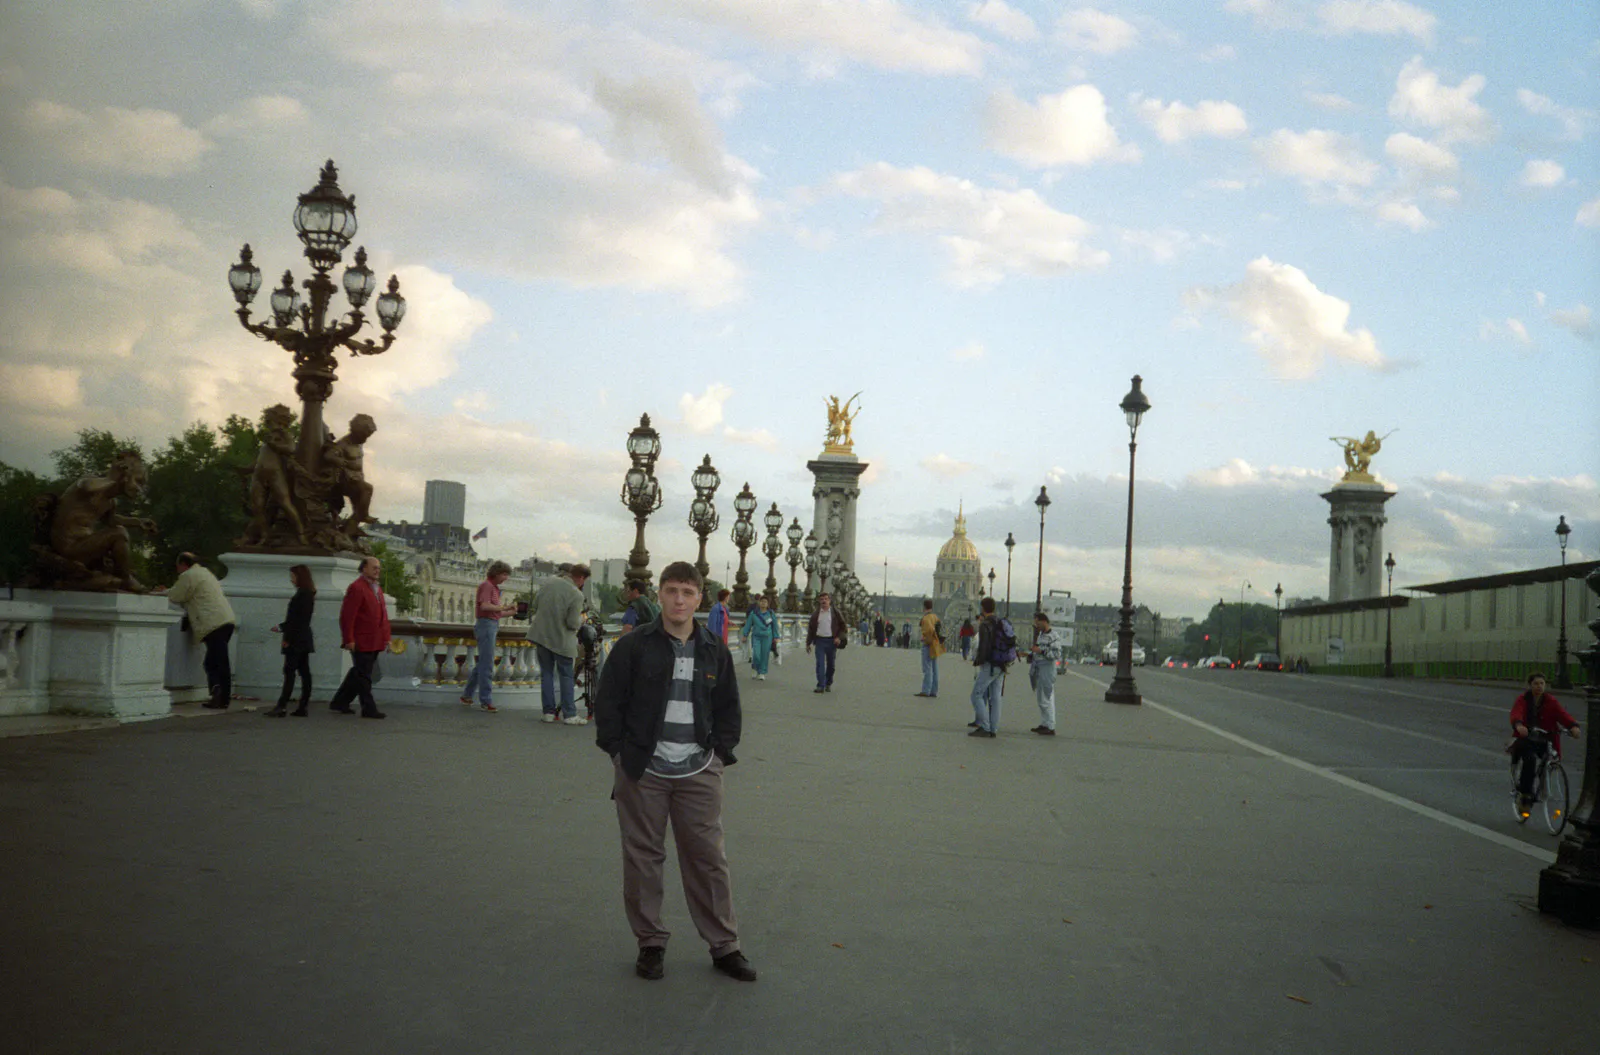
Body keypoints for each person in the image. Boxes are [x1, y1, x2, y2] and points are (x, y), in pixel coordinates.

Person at [593, 561, 755, 984]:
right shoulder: (634, 646)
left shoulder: (713, 649)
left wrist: (720, 754)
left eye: (687, 592)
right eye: (671, 591)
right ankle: (650, 942)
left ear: (699, 597)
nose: (679, 599)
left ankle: (725, 945)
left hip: (699, 768)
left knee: (708, 859)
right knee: (643, 858)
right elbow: (607, 701)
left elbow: (728, 708)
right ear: (659, 594)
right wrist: (617, 753)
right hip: (643, 769)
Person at [160, 553, 238, 710]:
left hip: (212, 623)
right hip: (225, 621)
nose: (177, 570)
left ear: (183, 564)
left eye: (178, 566)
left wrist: (159, 593)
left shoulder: (189, 575)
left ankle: (220, 697)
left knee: (216, 663)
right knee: (216, 661)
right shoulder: (204, 573)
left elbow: (177, 595)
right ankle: (221, 696)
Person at [1508, 672, 1581, 811]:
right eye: (1536, 683)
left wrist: (1573, 726)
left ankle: (1542, 786)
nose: (1539, 686)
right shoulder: (1523, 699)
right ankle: (1525, 795)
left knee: (1549, 758)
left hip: (1546, 738)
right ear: (1530, 685)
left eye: (1542, 683)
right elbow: (1516, 713)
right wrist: (1519, 725)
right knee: (1530, 760)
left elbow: (1562, 715)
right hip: (1527, 738)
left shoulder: (1550, 701)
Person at [329, 555, 390, 719]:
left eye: (378, 567)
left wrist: (386, 637)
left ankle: (340, 702)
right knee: (364, 676)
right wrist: (349, 639)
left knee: (358, 673)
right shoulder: (356, 587)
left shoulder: (376, 588)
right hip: (361, 639)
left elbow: (382, 616)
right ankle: (369, 708)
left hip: (375, 639)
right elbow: (348, 616)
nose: (378, 570)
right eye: (374, 567)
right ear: (364, 568)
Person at [530, 563, 590, 724]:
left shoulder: (549, 582)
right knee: (566, 675)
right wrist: (581, 619)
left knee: (547, 674)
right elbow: (571, 623)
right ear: (581, 578)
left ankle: (548, 713)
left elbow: (535, 604)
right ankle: (569, 714)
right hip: (562, 640)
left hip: (542, 636)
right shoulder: (576, 595)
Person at [461, 561, 518, 713]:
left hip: (489, 624)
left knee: (483, 664)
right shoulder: (487, 586)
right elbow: (484, 606)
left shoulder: (493, 588)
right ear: (496, 573)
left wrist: (510, 613)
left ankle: (467, 695)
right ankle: (486, 700)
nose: (506, 578)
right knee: (487, 665)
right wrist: (505, 607)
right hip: (486, 626)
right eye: (504, 574)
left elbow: (494, 613)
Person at [266, 564, 315, 718]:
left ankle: (282, 705)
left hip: (296, 638)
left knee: (290, 671)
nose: (291, 580)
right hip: (304, 637)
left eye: (293, 576)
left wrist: (285, 633)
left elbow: (295, 620)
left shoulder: (302, 595)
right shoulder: (308, 594)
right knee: (304, 672)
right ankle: (303, 705)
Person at [968, 598, 1008, 738]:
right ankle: (994, 728)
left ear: (983, 608)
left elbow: (984, 646)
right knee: (996, 697)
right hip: (1002, 664)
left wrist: (979, 660)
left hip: (990, 664)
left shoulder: (985, 624)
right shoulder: (1001, 622)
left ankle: (984, 726)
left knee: (976, 694)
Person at [1028, 612, 1061, 736]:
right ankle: (1044, 723)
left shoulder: (1054, 636)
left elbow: (1056, 654)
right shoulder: (1041, 635)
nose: (1036, 625)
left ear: (1044, 621)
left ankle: (1050, 725)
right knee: (1041, 697)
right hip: (1039, 668)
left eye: (1037, 622)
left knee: (1047, 697)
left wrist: (1041, 651)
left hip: (1047, 668)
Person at [806, 592, 846, 694]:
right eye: (822, 599)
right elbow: (811, 630)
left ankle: (828, 682)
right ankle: (820, 685)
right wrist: (808, 643)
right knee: (820, 663)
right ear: (819, 601)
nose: (824, 601)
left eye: (826, 599)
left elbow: (843, 627)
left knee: (831, 665)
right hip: (819, 641)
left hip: (832, 641)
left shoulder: (835, 613)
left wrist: (838, 638)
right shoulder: (816, 614)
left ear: (829, 601)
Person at [741, 594, 779, 681]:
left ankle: (762, 673)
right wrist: (745, 635)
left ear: (768, 604)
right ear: (759, 602)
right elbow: (748, 624)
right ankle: (755, 668)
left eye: (765, 602)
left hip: (767, 637)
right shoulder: (754, 613)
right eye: (762, 601)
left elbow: (775, 625)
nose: (763, 603)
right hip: (756, 636)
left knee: (765, 655)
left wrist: (776, 636)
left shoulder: (770, 613)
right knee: (756, 654)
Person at [915, 599, 944, 698]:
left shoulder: (926, 618)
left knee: (927, 668)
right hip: (935, 644)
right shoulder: (935, 616)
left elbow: (929, 630)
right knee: (934, 668)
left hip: (928, 644)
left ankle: (926, 690)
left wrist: (925, 638)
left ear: (924, 607)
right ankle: (933, 690)